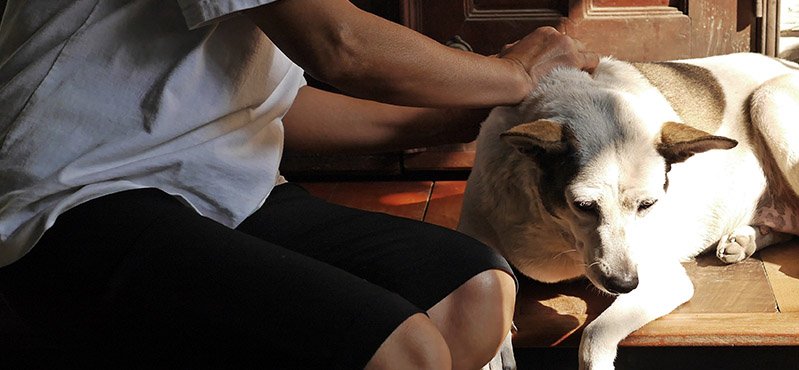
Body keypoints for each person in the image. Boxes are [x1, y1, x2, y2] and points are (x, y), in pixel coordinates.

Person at [0, 0, 598, 368]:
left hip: (217, 183)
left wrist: (457, 118)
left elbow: (274, 105)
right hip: (70, 198)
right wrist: (512, 75)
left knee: (476, 295)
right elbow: (342, 47)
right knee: (403, 352)